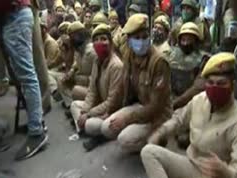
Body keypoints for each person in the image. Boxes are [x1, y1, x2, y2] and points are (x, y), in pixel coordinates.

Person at [141, 53, 237, 178]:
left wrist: (225, 172)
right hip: (191, 164)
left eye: (221, 83)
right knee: (148, 152)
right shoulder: (200, 100)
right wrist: (160, 133)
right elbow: (179, 119)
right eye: (210, 82)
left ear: (233, 85)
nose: (215, 88)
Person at [94, 14, 172, 153]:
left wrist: (127, 120)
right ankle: (143, 136)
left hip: (157, 115)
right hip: (139, 106)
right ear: (129, 40)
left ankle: (159, 138)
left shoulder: (159, 62)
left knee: (125, 140)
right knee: (106, 127)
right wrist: (110, 110)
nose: (141, 41)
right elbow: (121, 88)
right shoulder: (129, 55)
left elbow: (156, 106)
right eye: (137, 38)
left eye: (144, 37)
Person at [0, 0, 48, 160]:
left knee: (27, 77)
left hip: (14, 16)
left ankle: (37, 132)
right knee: (25, 76)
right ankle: (36, 123)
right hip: (11, 16)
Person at [70, 23, 124, 151]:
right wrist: (84, 111)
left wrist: (88, 114)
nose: (100, 43)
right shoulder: (97, 62)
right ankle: (86, 128)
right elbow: (92, 91)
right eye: (96, 40)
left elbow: (112, 102)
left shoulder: (116, 65)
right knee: (75, 106)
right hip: (100, 105)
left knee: (90, 124)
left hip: (113, 110)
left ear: (110, 42)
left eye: (103, 39)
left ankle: (97, 133)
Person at [57, 21, 96, 108]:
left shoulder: (91, 51)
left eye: (71, 36)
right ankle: (70, 105)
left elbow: (97, 78)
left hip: (92, 86)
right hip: (82, 80)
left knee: (76, 90)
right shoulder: (78, 50)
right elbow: (75, 63)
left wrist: (80, 79)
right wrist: (71, 72)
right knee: (61, 81)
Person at [169, 22, 206, 110]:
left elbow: (198, 87)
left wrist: (176, 102)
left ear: (196, 41)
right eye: (183, 40)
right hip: (169, 100)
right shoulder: (171, 55)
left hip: (192, 104)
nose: (185, 43)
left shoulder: (203, 59)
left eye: (189, 40)